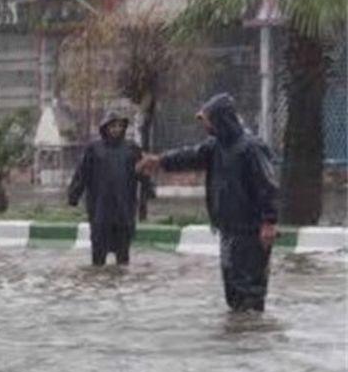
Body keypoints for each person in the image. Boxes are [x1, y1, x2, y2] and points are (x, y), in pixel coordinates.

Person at [139, 93, 279, 312]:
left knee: (250, 291)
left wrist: (268, 222)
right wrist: (160, 161)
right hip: (228, 229)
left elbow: (267, 186)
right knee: (232, 289)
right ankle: (240, 337)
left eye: (208, 121)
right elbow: (190, 156)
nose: (206, 127)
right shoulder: (215, 147)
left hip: (250, 232)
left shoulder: (251, 148)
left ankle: (251, 336)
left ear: (221, 120)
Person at [68, 108, 150, 267]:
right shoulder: (94, 149)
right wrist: (74, 194)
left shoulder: (131, 149)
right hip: (100, 210)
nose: (116, 129)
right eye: (113, 126)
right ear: (105, 128)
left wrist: (148, 191)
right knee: (98, 255)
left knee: (123, 256)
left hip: (124, 209)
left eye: (119, 126)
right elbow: (82, 173)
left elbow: (143, 173)